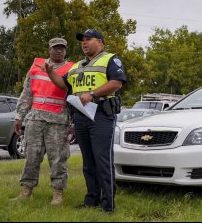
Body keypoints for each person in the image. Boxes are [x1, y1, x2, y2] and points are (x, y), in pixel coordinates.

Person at [45, 29, 126, 213]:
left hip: (101, 114)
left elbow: (117, 82)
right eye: (82, 40)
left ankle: (108, 205)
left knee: (102, 160)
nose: (84, 42)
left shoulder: (110, 59)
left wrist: (92, 94)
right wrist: (51, 73)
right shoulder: (76, 66)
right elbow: (63, 84)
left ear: (100, 42)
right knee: (88, 162)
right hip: (81, 116)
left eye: (88, 39)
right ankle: (92, 200)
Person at [11, 38, 75, 205]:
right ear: (49, 49)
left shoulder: (72, 70)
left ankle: (58, 193)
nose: (59, 51)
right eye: (55, 48)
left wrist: (73, 124)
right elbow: (27, 94)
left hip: (59, 122)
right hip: (35, 120)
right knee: (31, 156)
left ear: (66, 51)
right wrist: (19, 116)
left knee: (59, 159)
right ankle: (26, 190)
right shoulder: (36, 66)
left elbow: (74, 99)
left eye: (62, 48)